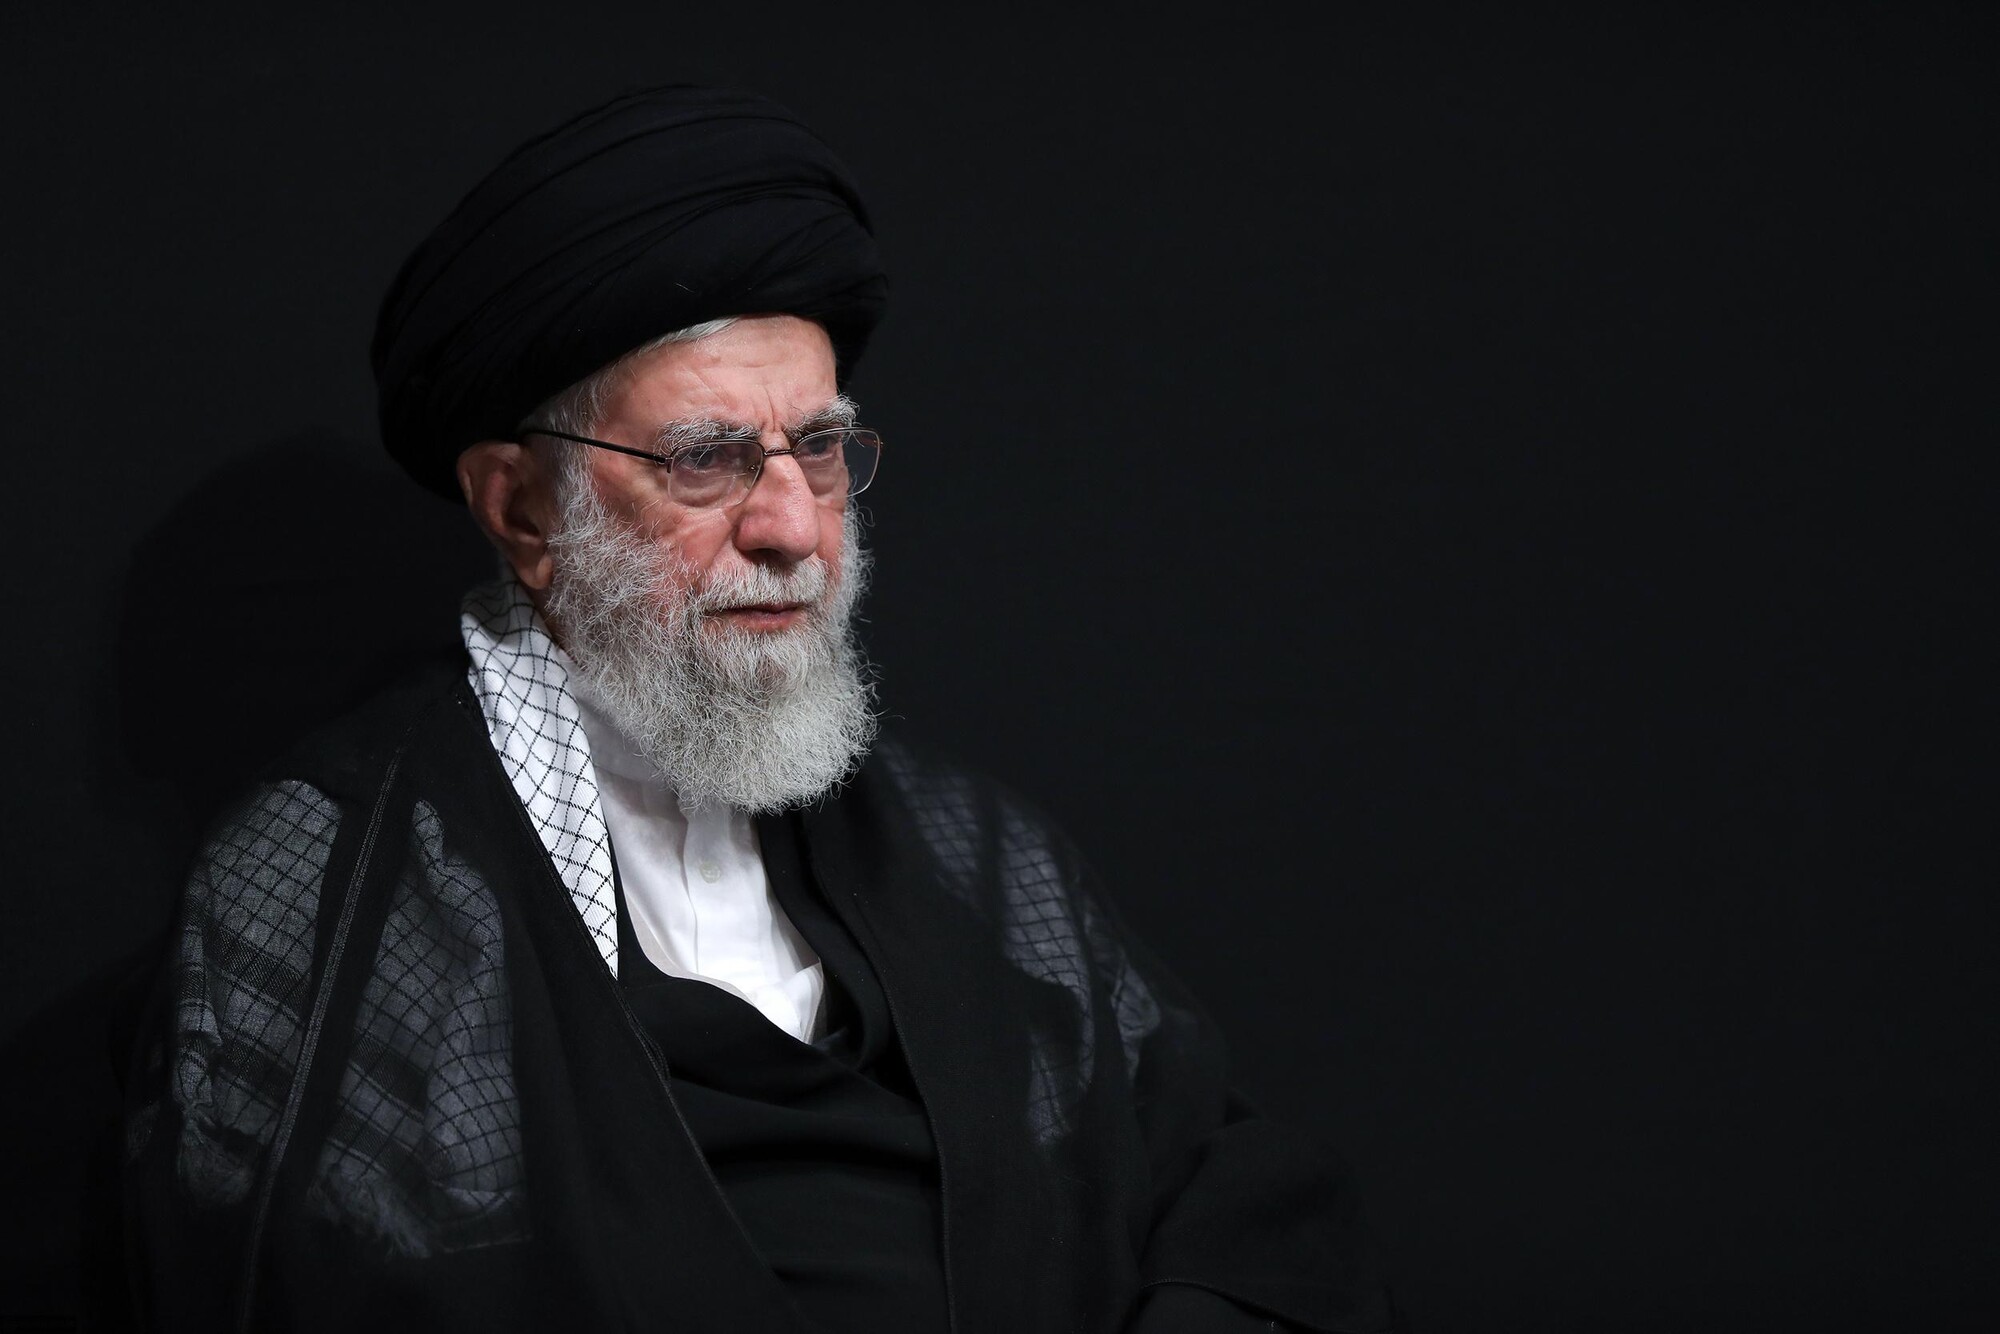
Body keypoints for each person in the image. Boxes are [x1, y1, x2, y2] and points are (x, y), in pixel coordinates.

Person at [116, 84, 1399, 1333]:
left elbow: (1224, 1181)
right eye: (704, 458)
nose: (793, 526)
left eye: (819, 448)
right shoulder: (321, 887)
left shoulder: (969, 846)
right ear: (523, 511)